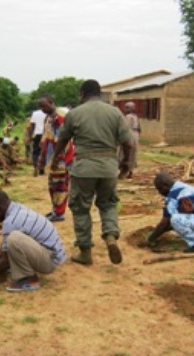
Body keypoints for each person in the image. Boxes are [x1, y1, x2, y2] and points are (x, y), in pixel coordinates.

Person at [50, 79, 133, 266]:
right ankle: (110, 236)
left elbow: (62, 140)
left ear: (82, 94)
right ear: (99, 93)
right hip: (109, 168)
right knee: (108, 204)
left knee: (80, 208)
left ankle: (85, 251)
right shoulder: (114, 112)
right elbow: (128, 143)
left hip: (84, 168)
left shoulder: (75, 114)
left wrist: (55, 158)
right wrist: (126, 162)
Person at [0, 190, 67, 292]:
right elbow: (4, 248)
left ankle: (29, 280)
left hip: (50, 261)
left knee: (14, 238)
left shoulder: (11, 221)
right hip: (49, 253)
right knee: (11, 240)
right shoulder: (17, 208)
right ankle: (24, 271)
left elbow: (6, 259)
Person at [38, 94, 74, 222]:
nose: (42, 108)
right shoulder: (49, 118)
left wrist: (57, 158)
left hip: (61, 159)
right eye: (40, 106)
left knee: (60, 185)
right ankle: (55, 209)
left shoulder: (61, 118)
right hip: (51, 158)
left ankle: (59, 213)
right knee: (52, 185)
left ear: (51, 102)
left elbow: (63, 140)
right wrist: (42, 157)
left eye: (44, 105)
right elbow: (46, 138)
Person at [119, 101, 140, 179]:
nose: (125, 109)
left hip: (130, 134)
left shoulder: (128, 117)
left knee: (125, 153)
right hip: (135, 135)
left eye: (127, 107)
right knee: (133, 153)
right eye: (125, 107)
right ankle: (130, 171)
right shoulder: (136, 117)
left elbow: (125, 128)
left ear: (132, 108)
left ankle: (124, 171)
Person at [29, 109, 47, 176]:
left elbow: (32, 125)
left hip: (37, 135)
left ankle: (35, 165)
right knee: (44, 152)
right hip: (45, 135)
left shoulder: (35, 113)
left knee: (35, 152)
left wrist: (31, 136)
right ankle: (42, 168)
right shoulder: (48, 113)